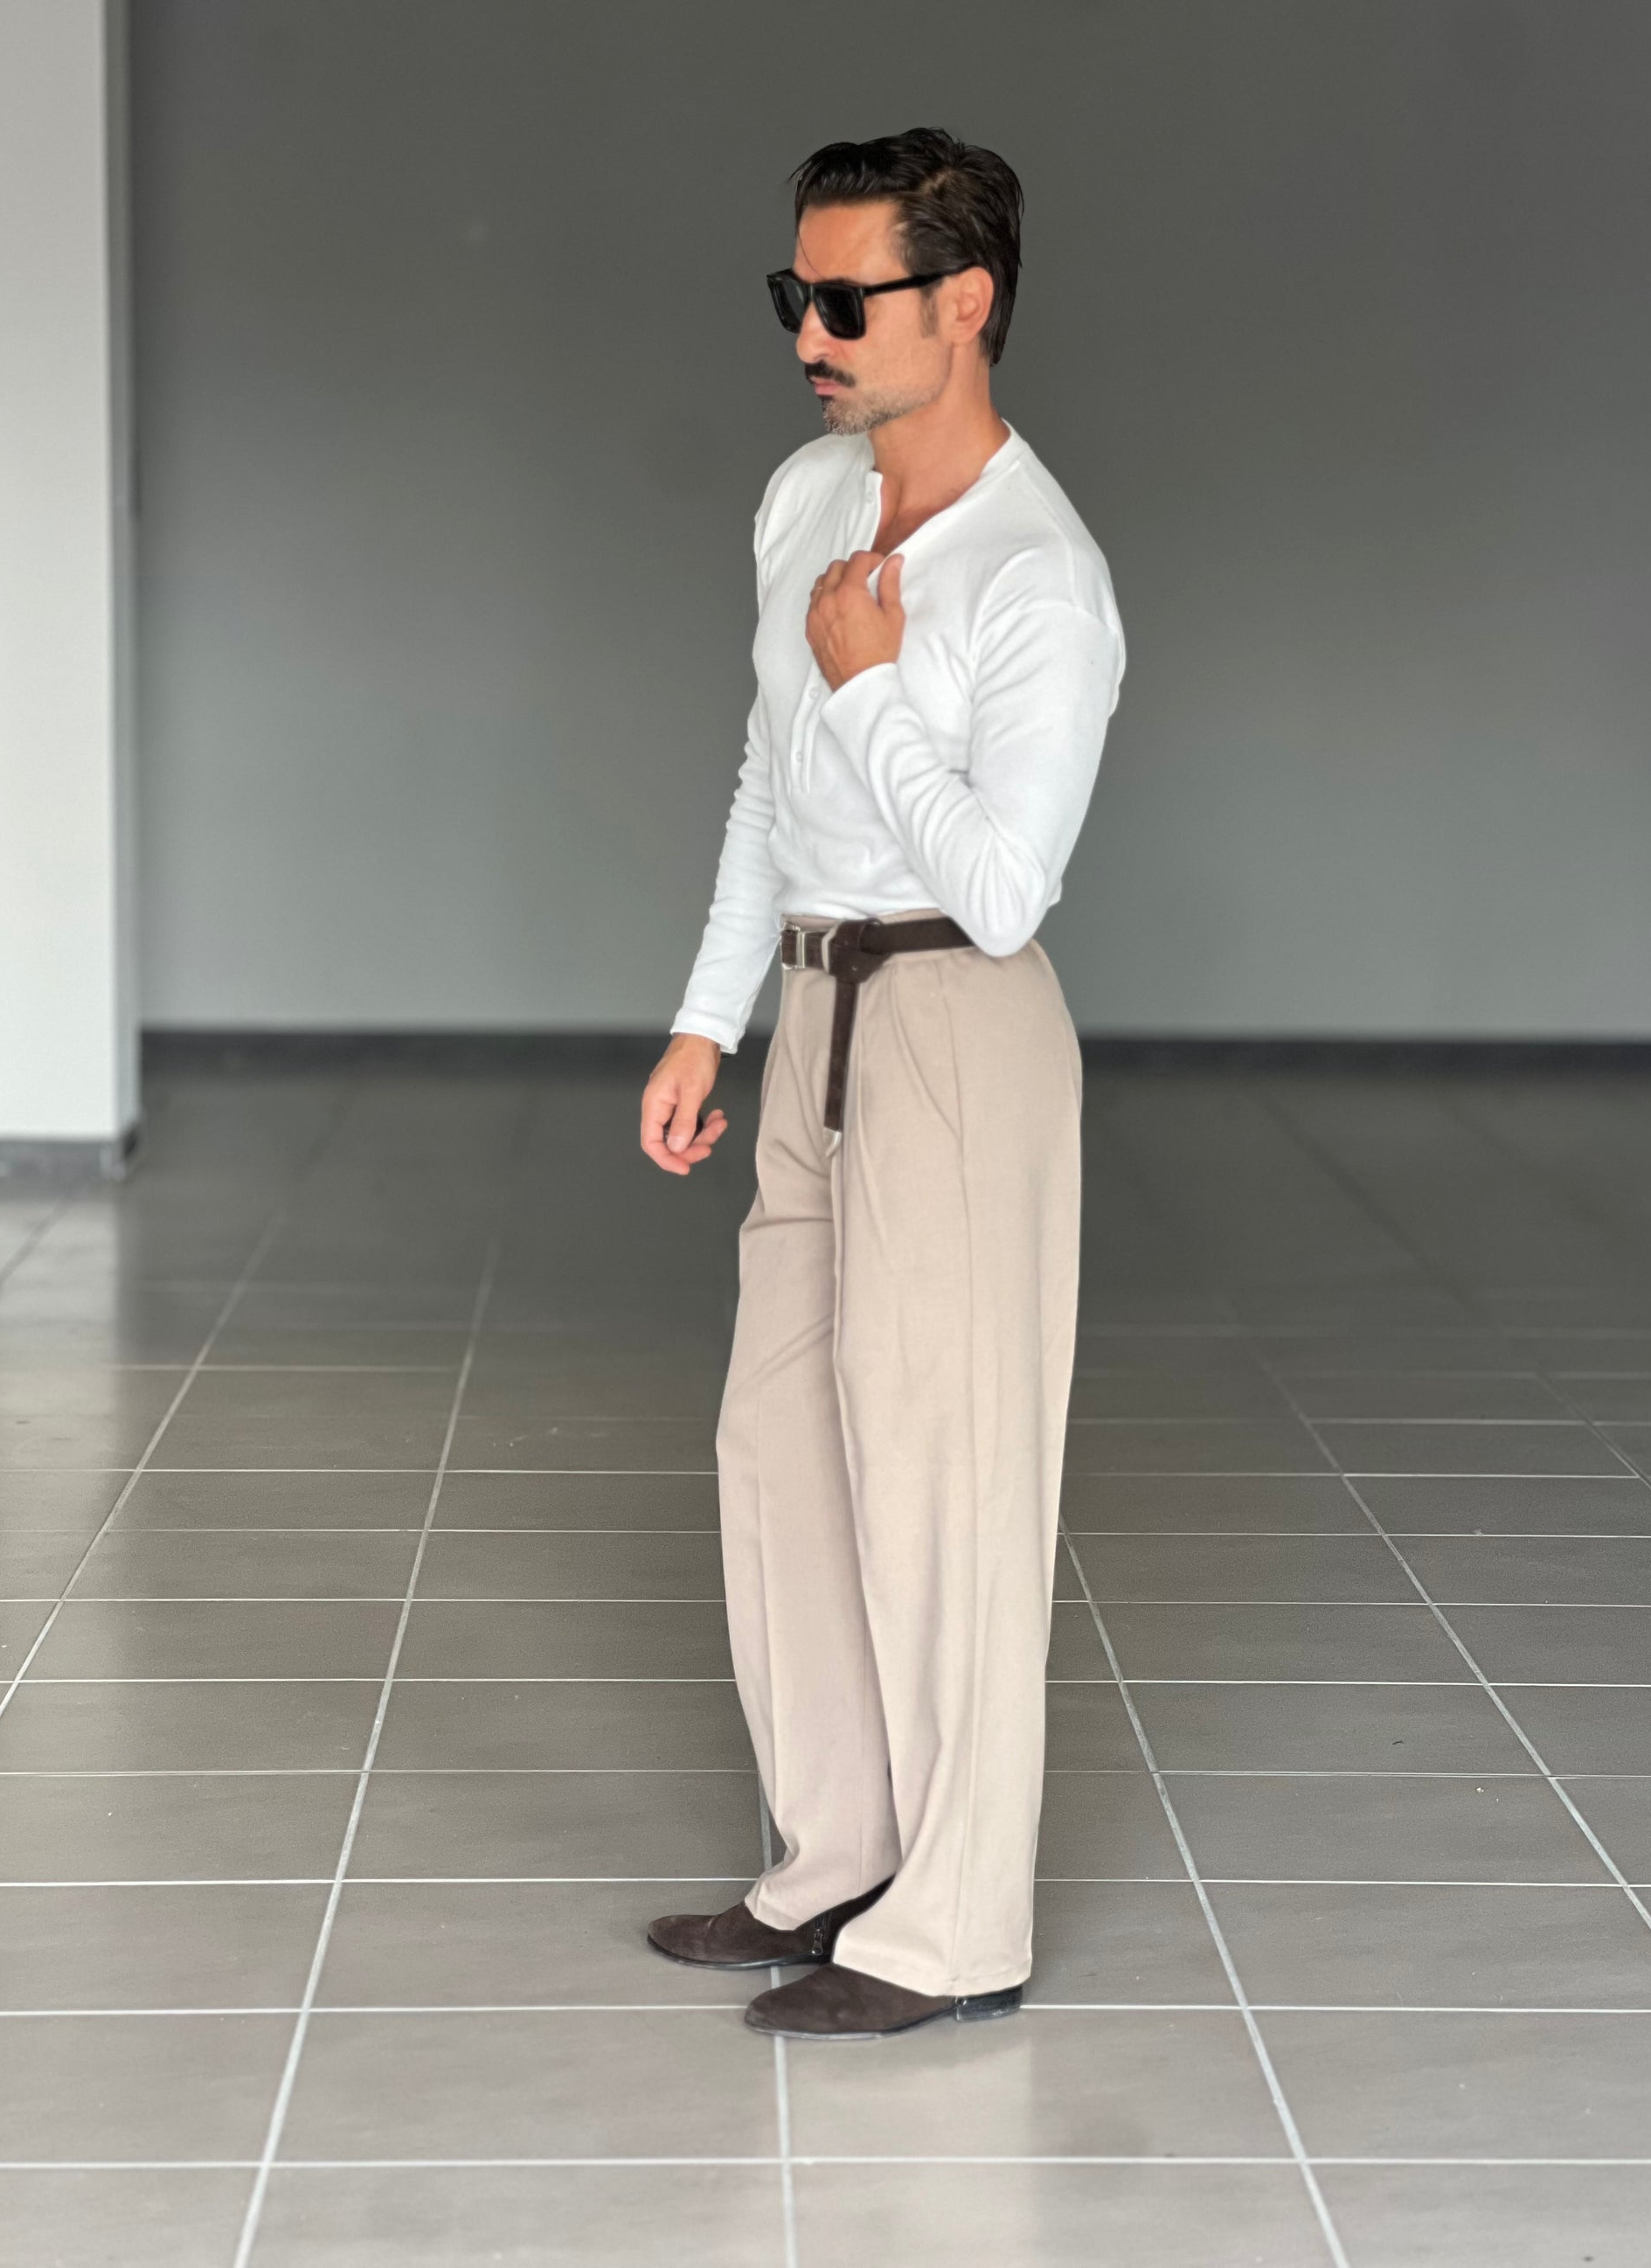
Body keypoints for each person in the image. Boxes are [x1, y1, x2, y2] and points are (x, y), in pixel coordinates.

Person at [637, 127, 1125, 2041]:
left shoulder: (1039, 573)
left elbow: (1004, 890)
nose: (808, 338)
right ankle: (838, 1855)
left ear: (965, 302)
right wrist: (708, 1015)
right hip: (810, 1011)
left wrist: (865, 682)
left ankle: (955, 1925)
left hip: (953, 1024)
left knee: (943, 1474)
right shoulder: (802, 502)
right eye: (795, 295)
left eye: (846, 302)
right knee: (779, 1449)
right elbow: (768, 780)